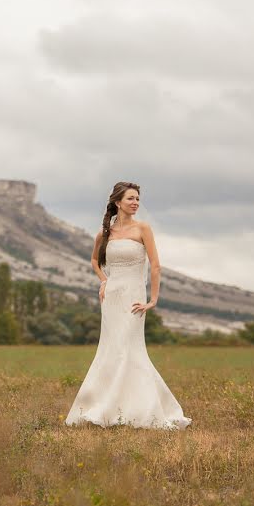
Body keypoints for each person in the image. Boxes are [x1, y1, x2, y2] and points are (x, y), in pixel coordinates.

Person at [64, 181, 191, 429]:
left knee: (130, 349)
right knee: (111, 350)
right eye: (131, 199)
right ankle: (107, 408)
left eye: (137, 199)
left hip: (134, 298)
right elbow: (94, 260)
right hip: (111, 298)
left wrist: (152, 299)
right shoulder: (105, 233)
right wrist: (104, 281)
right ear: (117, 202)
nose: (135, 203)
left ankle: (141, 409)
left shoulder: (143, 229)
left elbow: (155, 266)